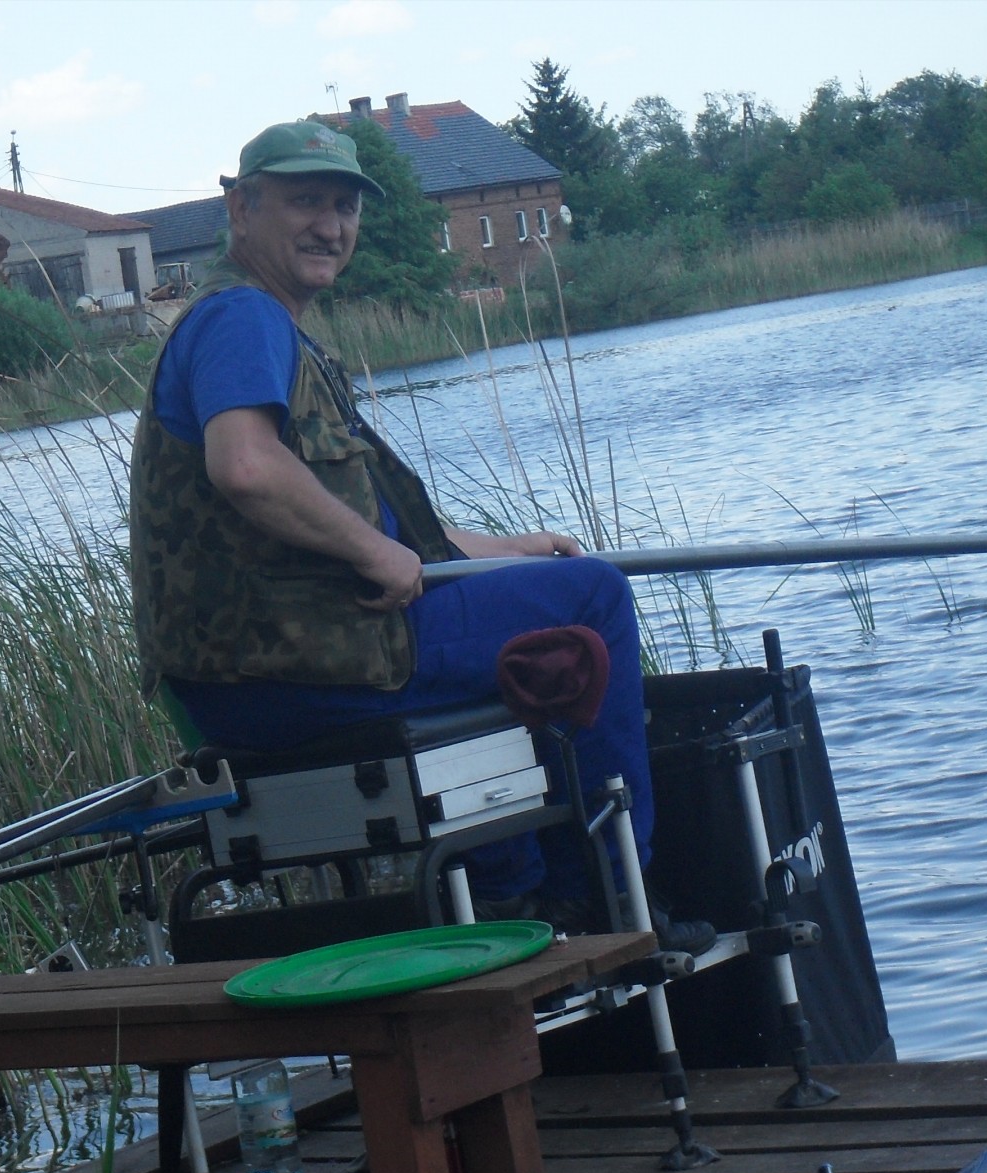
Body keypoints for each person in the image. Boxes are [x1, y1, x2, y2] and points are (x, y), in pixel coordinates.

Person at [127, 119, 712, 951]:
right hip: (293, 669)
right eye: (305, 201)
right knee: (594, 600)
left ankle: (515, 888)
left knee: (540, 603)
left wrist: (503, 551)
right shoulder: (243, 319)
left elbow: (383, 531)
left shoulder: (260, 326)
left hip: (271, 664)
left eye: (345, 206)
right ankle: (615, 898)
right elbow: (246, 467)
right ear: (241, 209)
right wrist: (375, 554)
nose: (330, 225)